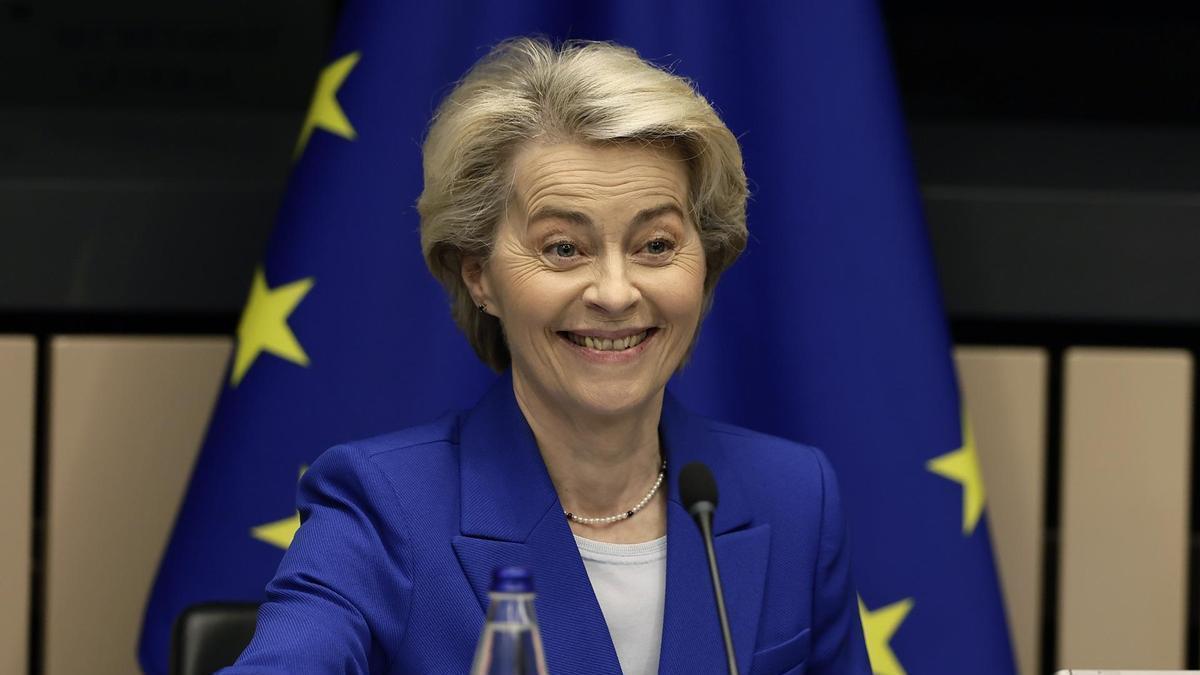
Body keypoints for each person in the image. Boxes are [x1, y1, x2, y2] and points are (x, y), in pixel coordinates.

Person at [226, 38, 870, 674]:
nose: (616, 293)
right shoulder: (384, 505)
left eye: (655, 244)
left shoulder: (796, 499)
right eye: (564, 248)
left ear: (706, 262)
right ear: (479, 275)